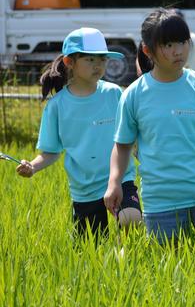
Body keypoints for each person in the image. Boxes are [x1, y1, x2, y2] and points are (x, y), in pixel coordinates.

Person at [104, 9, 195, 253]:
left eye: (182, 42)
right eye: (168, 44)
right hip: (161, 203)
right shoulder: (134, 95)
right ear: (148, 50)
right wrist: (114, 182)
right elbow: (123, 145)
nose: (178, 51)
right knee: (172, 277)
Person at [16, 27, 142, 237]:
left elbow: (131, 136)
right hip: (85, 188)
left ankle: (124, 261)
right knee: (91, 247)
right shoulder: (57, 106)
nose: (98, 65)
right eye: (90, 60)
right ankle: (107, 266)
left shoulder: (113, 94)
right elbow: (50, 152)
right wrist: (33, 166)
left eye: (102, 59)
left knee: (131, 220)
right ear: (69, 62)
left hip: (121, 178)